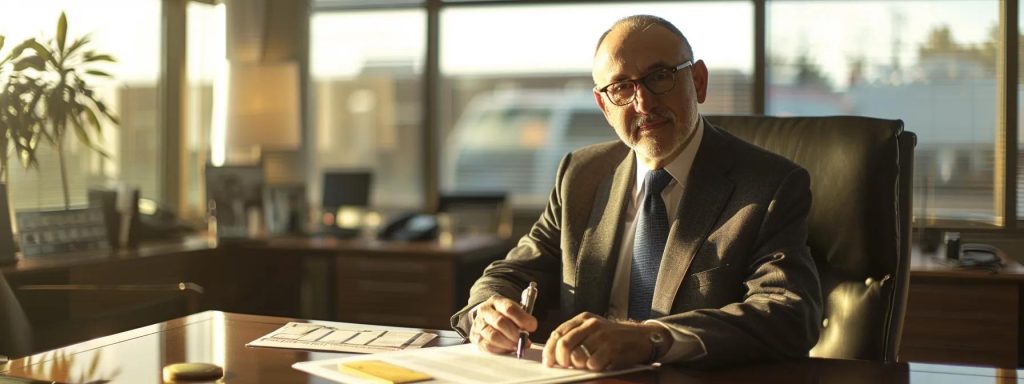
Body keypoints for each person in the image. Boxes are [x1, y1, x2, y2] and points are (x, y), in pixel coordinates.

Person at [450, 14, 823, 370]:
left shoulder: (769, 184)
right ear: (603, 105)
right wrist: (488, 310)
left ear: (699, 81)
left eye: (659, 77)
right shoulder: (581, 174)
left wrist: (652, 339)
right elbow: (514, 271)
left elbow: (788, 313)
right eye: (621, 87)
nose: (643, 102)